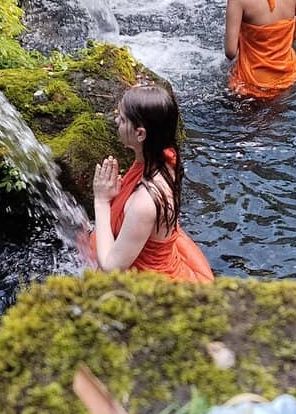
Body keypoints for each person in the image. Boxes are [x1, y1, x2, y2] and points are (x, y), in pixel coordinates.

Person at [91, 83, 214, 283]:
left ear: (140, 134)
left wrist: (102, 201)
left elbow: (111, 268)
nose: (116, 121)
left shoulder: (144, 202)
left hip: (154, 283)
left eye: (122, 119)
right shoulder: (165, 158)